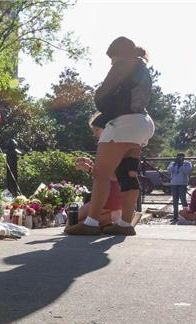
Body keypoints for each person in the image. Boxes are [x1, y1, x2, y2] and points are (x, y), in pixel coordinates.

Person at [65, 37, 154, 236]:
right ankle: (125, 224)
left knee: (101, 174)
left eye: (112, 58)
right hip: (143, 122)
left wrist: (100, 100)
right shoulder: (142, 67)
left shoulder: (124, 63)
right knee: (128, 175)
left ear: (119, 53)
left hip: (124, 122)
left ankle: (91, 223)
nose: (112, 63)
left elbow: (104, 94)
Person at [73, 156, 123, 228]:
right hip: (107, 202)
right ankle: (112, 218)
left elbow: (113, 176)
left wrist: (90, 168)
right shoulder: (109, 158)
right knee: (73, 220)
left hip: (109, 202)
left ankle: (114, 216)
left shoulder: (114, 156)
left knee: (73, 224)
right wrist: (90, 165)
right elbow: (103, 173)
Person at [167, 153, 192, 222]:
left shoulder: (187, 163)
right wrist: (175, 164)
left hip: (182, 184)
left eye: (181, 157)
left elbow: (187, 172)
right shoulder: (173, 163)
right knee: (175, 200)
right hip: (174, 184)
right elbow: (169, 171)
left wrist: (182, 164)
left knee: (183, 199)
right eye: (178, 157)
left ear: (184, 158)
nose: (179, 159)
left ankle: (186, 215)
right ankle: (175, 216)